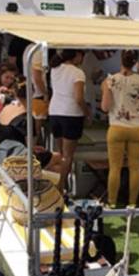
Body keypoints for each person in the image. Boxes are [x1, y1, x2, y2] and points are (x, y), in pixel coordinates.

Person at [101, 50, 139, 207]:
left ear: (121, 60)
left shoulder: (111, 80)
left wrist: (106, 90)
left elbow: (105, 107)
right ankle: (132, 203)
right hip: (136, 128)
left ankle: (112, 203)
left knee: (114, 168)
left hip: (116, 127)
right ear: (136, 62)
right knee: (135, 168)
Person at [0, 82, 61, 171]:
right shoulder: (27, 117)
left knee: (55, 166)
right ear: (32, 94)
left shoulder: (5, 108)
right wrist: (35, 148)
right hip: (20, 158)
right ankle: (59, 179)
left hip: (4, 152)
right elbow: (30, 146)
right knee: (61, 159)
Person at [48, 49, 89, 191]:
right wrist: (87, 112)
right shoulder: (77, 73)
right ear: (77, 55)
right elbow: (79, 98)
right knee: (68, 155)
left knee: (60, 153)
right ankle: (61, 186)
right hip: (71, 114)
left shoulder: (55, 69)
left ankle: (60, 183)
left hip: (54, 111)